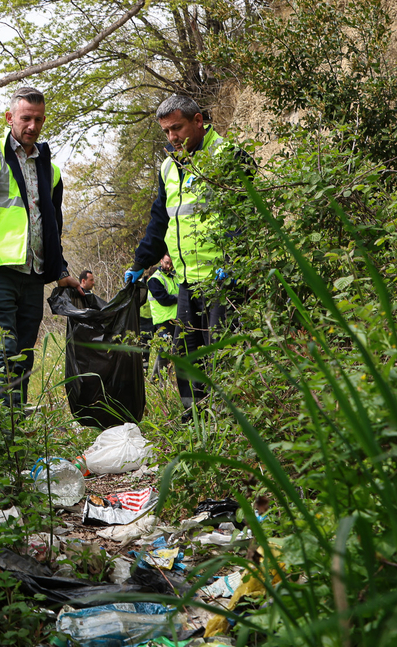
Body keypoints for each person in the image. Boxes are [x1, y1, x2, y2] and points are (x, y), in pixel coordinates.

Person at [123, 94, 253, 420]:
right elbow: (159, 222)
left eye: (177, 128)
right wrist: (140, 264)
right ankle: (194, 428)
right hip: (185, 281)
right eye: (166, 132)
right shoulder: (168, 167)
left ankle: (231, 427)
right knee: (186, 358)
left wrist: (234, 262)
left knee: (223, 356)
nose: (172, 138)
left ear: (198, 122)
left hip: (222, 281)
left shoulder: (228, 157)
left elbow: (247, 215)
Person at [0, 86, 83, 407]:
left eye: (39, 120)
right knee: (2, 354)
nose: (32, 126)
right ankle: (0, 429)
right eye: (26, 118)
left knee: (24, 356)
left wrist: (61, 273)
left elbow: (51, 227)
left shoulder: (50, 168)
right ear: (10, 118)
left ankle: (16, 429)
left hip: (33, 275)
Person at [147, 254, 180, 378]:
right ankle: (159, 379)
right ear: (161, 261)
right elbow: (164, 300)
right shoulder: (154, 280)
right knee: (165, 348)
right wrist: (178, 298)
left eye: (170, 263)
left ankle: (156, 377)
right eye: (166, 263)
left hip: (176, 318)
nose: (168, 266)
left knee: (171, 348)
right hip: (163, 319)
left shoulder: (175, 276)